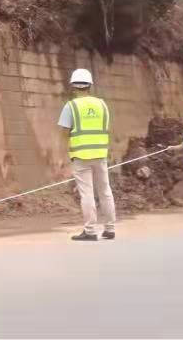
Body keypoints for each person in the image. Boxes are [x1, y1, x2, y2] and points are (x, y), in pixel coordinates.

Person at [58, 68, 115, 241]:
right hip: (100, 154)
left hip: (81, 155)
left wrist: (65, 152)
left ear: (73, 86)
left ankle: (90, 231)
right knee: (105, 191)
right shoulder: (102, 105)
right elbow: (106, 128)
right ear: (90, 85)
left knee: (87, 193)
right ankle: (110, 228)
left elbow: (64, 132)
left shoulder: (71, 106)